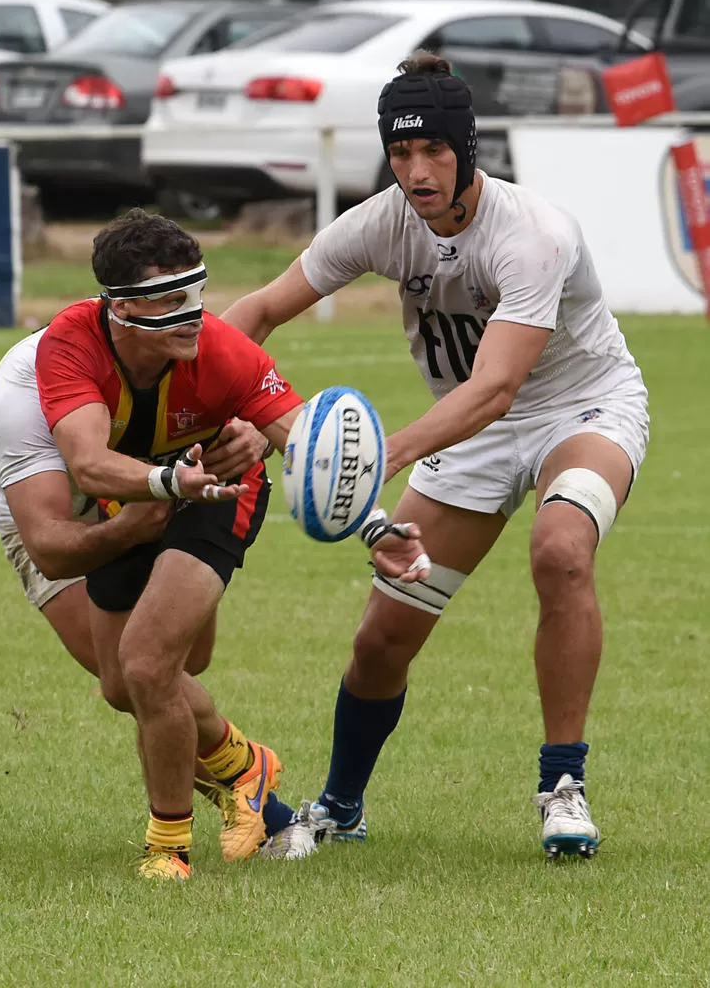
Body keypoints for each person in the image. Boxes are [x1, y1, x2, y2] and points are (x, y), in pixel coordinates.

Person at [221, 52, 650, 859]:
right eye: (400, 153)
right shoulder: (380, 221)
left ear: (467, 150)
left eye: (434, 153)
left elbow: (495, 388)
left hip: (579, 405)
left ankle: (562, 785)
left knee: (560, 550)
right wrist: (204, 381)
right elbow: (262, 308)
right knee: (384, 635)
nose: (416, 172)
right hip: (470, 431)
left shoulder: (533, 235)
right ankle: (341, 805)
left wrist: (377, 456)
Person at [33, 209, 426, 880]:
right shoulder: (69, 343)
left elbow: (311, 445)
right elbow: (92, 465)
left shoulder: (223, 351)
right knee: (120, 685)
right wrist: (165, 481)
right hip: (136, 497)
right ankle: (248, 765)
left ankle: (168, 846)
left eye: (197, 293)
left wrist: (375, 528)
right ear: (121, 308)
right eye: (169, 299)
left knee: (151, 664)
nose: (192, 314)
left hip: (221, 494)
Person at [0, 326, 317, 862]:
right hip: (55, 517)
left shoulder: (161, 341)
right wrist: (126, 529)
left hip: (157, 488)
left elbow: (247, 335)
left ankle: (247, 791)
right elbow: (49, 544)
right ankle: (246, 792)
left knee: (172, 666)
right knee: (129, 679)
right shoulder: (22, 386)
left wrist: (254, 420)